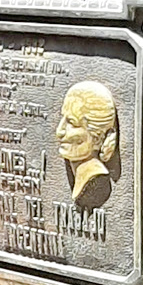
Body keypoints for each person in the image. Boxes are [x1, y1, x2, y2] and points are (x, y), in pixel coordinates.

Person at [56, 81, 119, 209]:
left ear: (97, 138)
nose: (59, 131)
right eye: (63, 119)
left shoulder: (98, 184)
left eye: (72, 123)